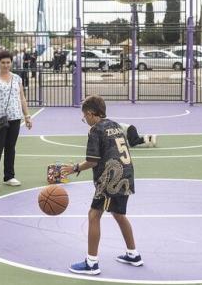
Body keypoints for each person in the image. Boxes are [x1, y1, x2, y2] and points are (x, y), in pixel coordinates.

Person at [61, 95, 142, 276]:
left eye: (84, 117)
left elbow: (92, 161)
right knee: (119, 214)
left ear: (90, 113)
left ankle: (91, 263)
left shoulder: (95, 130)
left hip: (110, 179)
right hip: (127, 175)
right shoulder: (115, 125)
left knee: (93, 215)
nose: (85, 120)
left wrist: (73, 168)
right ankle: (133, 254)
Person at [0, 50, 33, 191]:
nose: (5, 65)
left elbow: (22, 98)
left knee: (11, 148)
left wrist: (27, 116)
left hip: (15, 117)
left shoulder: (17, 78)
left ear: (11, 63)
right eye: (3, 62)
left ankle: (9, 176)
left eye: (8, 62)